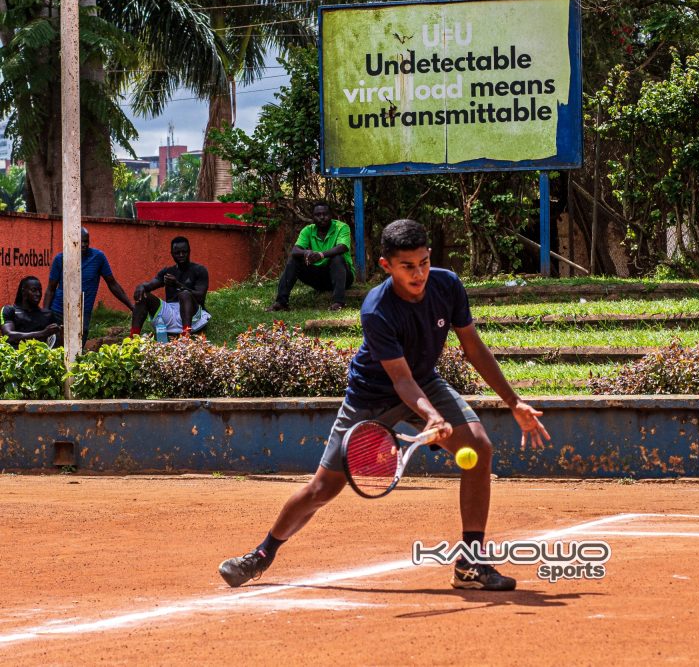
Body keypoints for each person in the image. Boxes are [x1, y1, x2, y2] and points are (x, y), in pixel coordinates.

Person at [219, 219, 550, 591]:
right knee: (322, 489)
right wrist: (432, 417)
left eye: (424, 262)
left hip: (425, 381)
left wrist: (513, 401)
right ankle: (262, 554)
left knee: (478, 447)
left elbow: (472, 347)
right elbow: (400, 381)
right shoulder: (377, 309)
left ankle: (470, 564)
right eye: (407, 266)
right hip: (371, 397)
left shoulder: (447, 285)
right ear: (386, 266)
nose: (419, 273)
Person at [45, 227, 134, 345]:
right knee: (56, 349)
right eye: (80, 241)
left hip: (83, 311)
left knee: (77, 349)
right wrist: (45, 313)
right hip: (59, 311)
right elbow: (51, 289)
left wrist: (131, 306)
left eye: (86, 241)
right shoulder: (60, 259)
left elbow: (112, 284)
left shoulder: (98, 258)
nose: (83, 245)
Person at [268, 201, 355, 312]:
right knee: (294, 259)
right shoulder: (308, 230)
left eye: (325, 214)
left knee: (337, 258)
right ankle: (281, 303)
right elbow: (295, 250)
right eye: (318, 215)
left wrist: (321, 255)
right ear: (313, 217)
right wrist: (306, 253)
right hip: (318, 279)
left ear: (331, 215)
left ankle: (338, 303)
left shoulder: (341, 227)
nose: (322, 217)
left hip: (343, 277)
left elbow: (342, 247)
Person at [130, 236, 211, 338]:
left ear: (189, 251)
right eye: (177, 253)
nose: (181, 255)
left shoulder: (199, 270)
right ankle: (133, 337)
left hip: (193, 314)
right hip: (170, 313)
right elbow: (150, 285)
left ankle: (186, 335)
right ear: (172, 254)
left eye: (184, 252)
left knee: (184, 294)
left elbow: (200, 297)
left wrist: (177, 284)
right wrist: (140, 287)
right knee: (144, 295)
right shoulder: (168, 272)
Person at [1, 276, 62, 347]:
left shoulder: (47, 315)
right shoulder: (9, 310)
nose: (38, 294)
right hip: (15, 356)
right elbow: (8, 336)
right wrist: (43, 333)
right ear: (23, 291)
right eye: (34, 290)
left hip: (40, 356)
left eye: (40, 290)